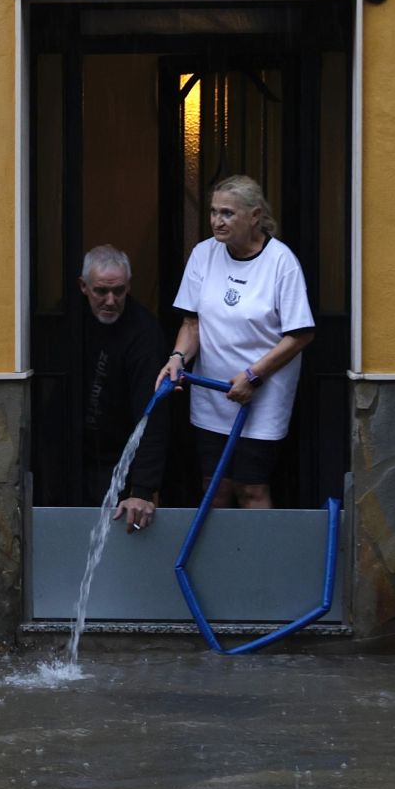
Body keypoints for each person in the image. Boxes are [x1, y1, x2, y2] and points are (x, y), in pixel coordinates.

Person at [158, 175, 315, 508]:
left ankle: (257, 560)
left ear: (254, 215)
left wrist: (254, 376)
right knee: (215, 486)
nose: (217, 221)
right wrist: (176, 358)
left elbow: (300, 334)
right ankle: (217, 560)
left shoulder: (280, 262)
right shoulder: (204, 254)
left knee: (251, 487)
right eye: (214, 212)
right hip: (213, 391)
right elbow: (191, 322)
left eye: (227, 213)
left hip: (261, 393)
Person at [76, 245, 171, 532]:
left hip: (122, 460)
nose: (110, 300)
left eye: (119, 291)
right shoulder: (70, 322)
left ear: (129, 286)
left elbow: (153, 413)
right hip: (75, 458)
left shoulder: (144, 334)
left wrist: (142, 489)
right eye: (101, 291)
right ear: (84, 287)